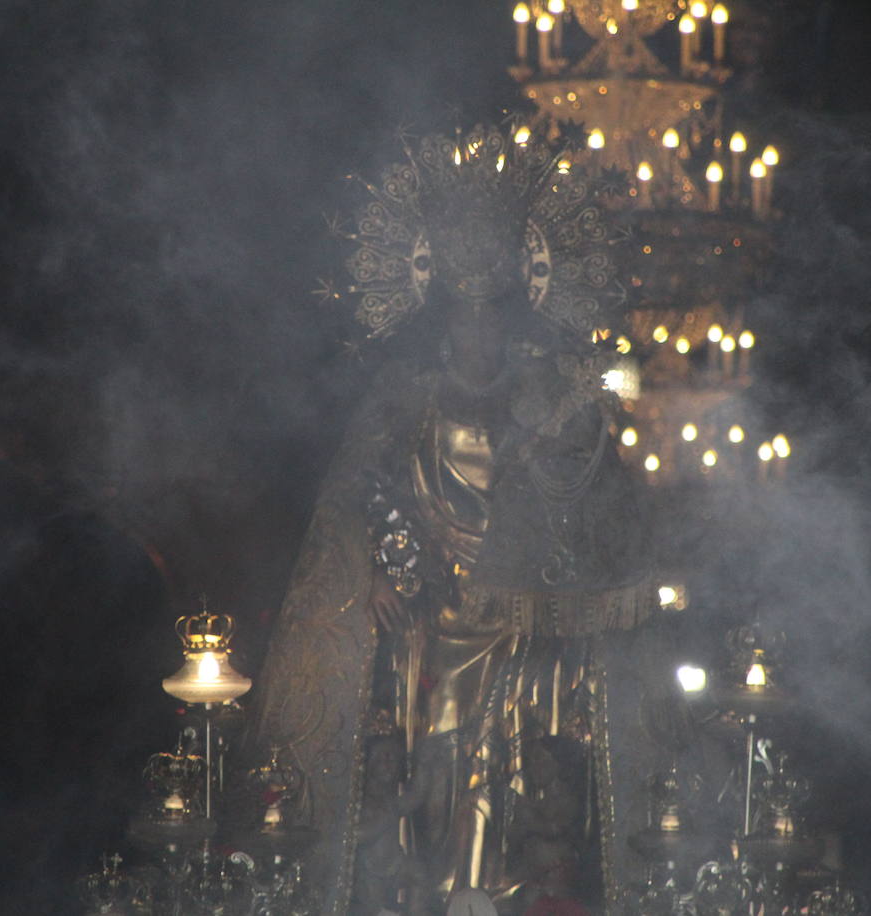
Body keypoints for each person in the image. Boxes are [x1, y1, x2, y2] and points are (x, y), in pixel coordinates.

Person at [242, 126, 686, 915]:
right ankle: (434, 893)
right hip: (433, 614)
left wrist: (562, 447)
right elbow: (352, 501)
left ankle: (511, 890)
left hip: (529, 613)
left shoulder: (552, 399)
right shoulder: (404, 400)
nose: (477, 336)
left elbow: (598, 509)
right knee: (437, 749)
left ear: (513, 316)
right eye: (462, 320)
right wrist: (377, 569)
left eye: (490, 319)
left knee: (526, 752)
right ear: (440, 317)